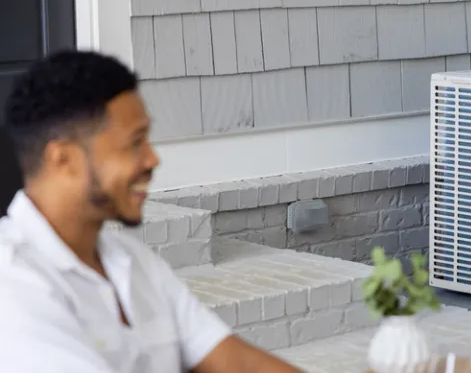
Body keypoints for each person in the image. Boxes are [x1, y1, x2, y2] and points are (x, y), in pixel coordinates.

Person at [0, 50, 303, 373]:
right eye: (135, 142)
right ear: (64, 159)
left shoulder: (132, 261)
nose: (152, 159)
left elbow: (237, 362)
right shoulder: (12, 283)